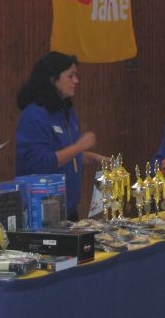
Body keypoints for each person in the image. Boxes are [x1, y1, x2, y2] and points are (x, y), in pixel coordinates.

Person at [15, 51, 106, 221]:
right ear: (52, 79)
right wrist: (79, 146)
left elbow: (67, 156)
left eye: (76, 76)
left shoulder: (66, 111)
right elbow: (39, 163)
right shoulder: (35, 115)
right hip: (41, 213)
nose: (76, 81)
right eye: (70, 76)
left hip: (68, 208)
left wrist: (94, 158)